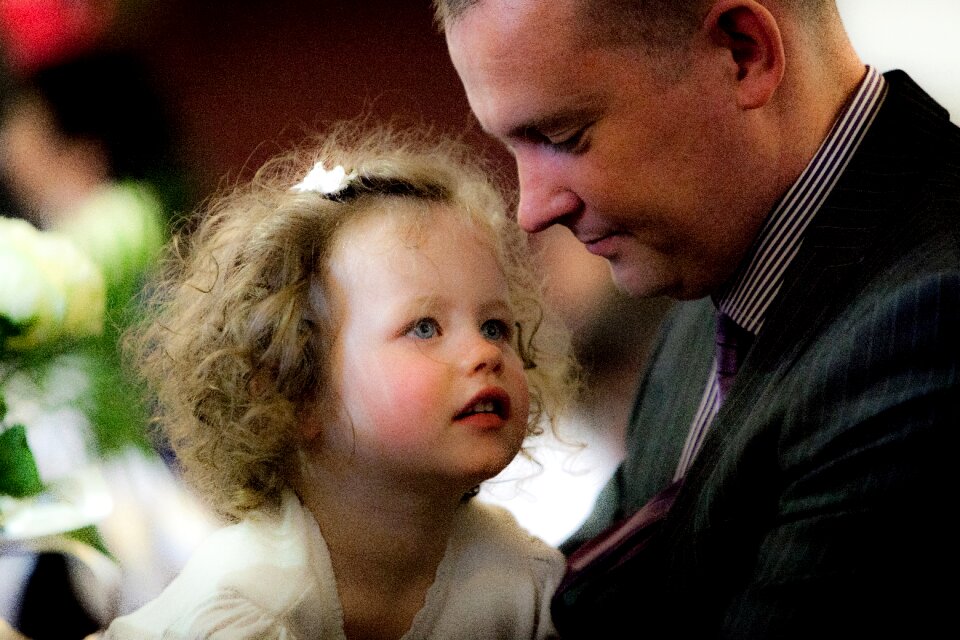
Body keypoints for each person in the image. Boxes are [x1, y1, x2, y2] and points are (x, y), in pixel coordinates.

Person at [435, 0, 959, 637]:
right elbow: (587, 602)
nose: (532, 210)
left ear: (743, 54)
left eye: (564, 138)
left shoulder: (928, 320)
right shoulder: (719, 265)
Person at [102, 123, 577, 639]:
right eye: (424, 328)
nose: (485, 352)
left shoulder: (520, 582)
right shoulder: (248, 607)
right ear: (296, 391)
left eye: (495, 326)